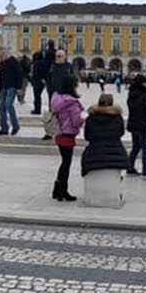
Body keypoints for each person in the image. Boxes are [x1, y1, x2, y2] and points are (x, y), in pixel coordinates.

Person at [48, 74, 84, 202]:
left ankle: (57, 190)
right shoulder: (72, 102)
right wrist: (83, 120)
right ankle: (62, 191)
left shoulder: (56, 98)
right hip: (68, 134)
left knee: (64, 162)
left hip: (59, 132)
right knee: (66, 164)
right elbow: (76, 121)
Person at [81, 92, 130, 182]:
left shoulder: (91, 118)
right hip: (116, 153)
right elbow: (121, 133)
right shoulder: (117, 117)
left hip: (94, 153)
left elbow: (87, 136)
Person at [125, 75, 146, 179]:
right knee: (145, 148)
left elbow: (136, 107)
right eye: (145, 82)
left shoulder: (131, 94)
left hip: (133, 123)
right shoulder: (143, 95)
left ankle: (129, 167)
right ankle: (145, 170)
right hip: (142, 124)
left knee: (136, 146)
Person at [0, 47, 22, 136]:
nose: (0, 58)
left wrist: (19, 87)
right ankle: (4, 128)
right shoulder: (2, 63)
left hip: (12, 87)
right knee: (1, 107)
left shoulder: (14, 62)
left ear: (6, 54)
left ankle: (15, 126)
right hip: (3, 87)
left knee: (8, 105)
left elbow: (19, 74)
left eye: (1, 56)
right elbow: (1, 77)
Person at [29, 49, 49, 115]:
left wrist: (31, 80)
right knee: (38, 95)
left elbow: (34, 73)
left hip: (36, 81)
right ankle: (38, 109)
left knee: (37, 96)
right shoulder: (45, 62)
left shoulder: (35, 63)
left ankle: (37, 109)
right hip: (42, 81)